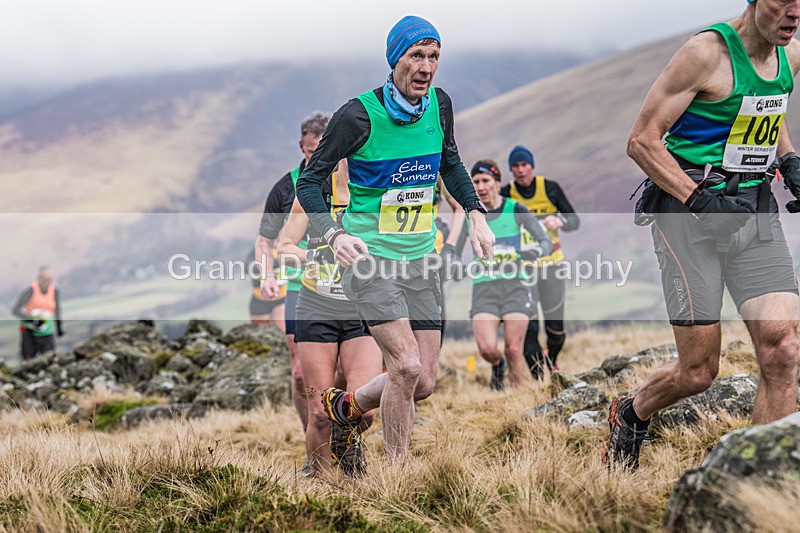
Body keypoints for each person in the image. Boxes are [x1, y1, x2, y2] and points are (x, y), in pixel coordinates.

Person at [604, 0, 800, 471]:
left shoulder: (788, 54)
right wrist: (700, 202)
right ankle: (631, 412)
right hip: (687, 218)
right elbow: (642, 140)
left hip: (753, 212)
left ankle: (755, 485)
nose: (793, 13)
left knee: (784, 348)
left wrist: (789, 161)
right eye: (783, 1)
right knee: (698, 373)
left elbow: (764, 113)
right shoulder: (706, 53)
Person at [296, 15, 494, 465]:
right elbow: (310, 182)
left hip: (422, 262)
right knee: (404, 366)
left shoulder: (440, 105)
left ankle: (345, 407)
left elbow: (450, 163)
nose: (426, 67)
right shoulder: (358, 115)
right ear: (395, 60)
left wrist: (476, 215)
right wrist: (334, 234)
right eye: (416, 56)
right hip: (370, 264)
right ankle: (397, 479)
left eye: (434, 57)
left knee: (422, 382)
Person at [278, 160, 382, 478]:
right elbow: (283, 248)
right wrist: (316, 255)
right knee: (320, 414)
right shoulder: (313, 191)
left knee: (364, 412)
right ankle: (322, 493)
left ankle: (344, 439)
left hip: (361, 309)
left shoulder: (376, 187)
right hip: (316, 308)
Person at [254, 111, 331, 464]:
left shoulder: (347, 182)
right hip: (299, 287)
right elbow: (264, 238)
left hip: (345, 289)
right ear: (301, 145)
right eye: (310, 150)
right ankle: (312, 443)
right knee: (301, 373)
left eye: (323, 150)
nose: (315, 157)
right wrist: (267, 276)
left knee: (340, 373)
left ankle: (343, 438)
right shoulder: (286, 187)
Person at [467, 160, 552, 390]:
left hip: (517, 284)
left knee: (514, 348)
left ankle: (517, 403)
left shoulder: (515, 209)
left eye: (486, 181)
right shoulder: (472, 214)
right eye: (475, 182)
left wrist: (535, 251)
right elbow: (454, 247)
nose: (481, 187)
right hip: (484, 287)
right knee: (487, 349)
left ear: (497, 182)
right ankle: (497, 364)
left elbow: (545, 241)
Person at [500, 145, 580, 377]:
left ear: (532, 166)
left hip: (551, 266)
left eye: (524, 165)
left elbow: (575, 221)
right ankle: (538, 377)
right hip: (521, 270)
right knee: (529, 328)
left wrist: (560, 222)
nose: (521, 170)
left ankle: (552, 358)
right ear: (511, 170)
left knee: (556, 329)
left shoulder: (550, 189)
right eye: (515, 166)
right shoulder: (506, 194)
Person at [12, 266, 63, 361]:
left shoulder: (54, 291)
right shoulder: (31, 290)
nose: (47, 282)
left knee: (50, 359)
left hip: (46, 332)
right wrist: (32, 320)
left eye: (49, 279)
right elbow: (16, 310)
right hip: (29, 331)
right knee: (29, 360)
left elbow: (57, 310)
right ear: (39, 278)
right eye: (44, 279)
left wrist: (59, 327)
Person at [246, 250, 286, 328]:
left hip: (280, 299)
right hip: (260, 300)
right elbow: (248, 268)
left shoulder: (284, 248)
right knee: (259, 334)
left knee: (283, 333)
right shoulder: (257, 250)